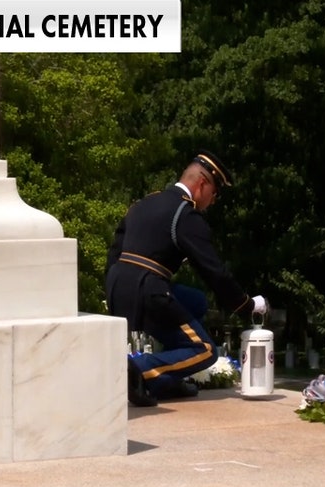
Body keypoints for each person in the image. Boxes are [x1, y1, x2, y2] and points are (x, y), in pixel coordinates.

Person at [106, 150, 269, 406]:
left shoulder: (144, 202)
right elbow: (213, 270)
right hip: (148, 289)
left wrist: (115, 288)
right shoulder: (185, 213)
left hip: (117, 286)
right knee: (205, 350)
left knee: (196, 302)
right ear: (202, 184)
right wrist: (246, 304)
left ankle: (166, 382)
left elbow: (115, 249)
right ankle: (136, 370)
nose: (212, 201)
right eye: (214, 194)